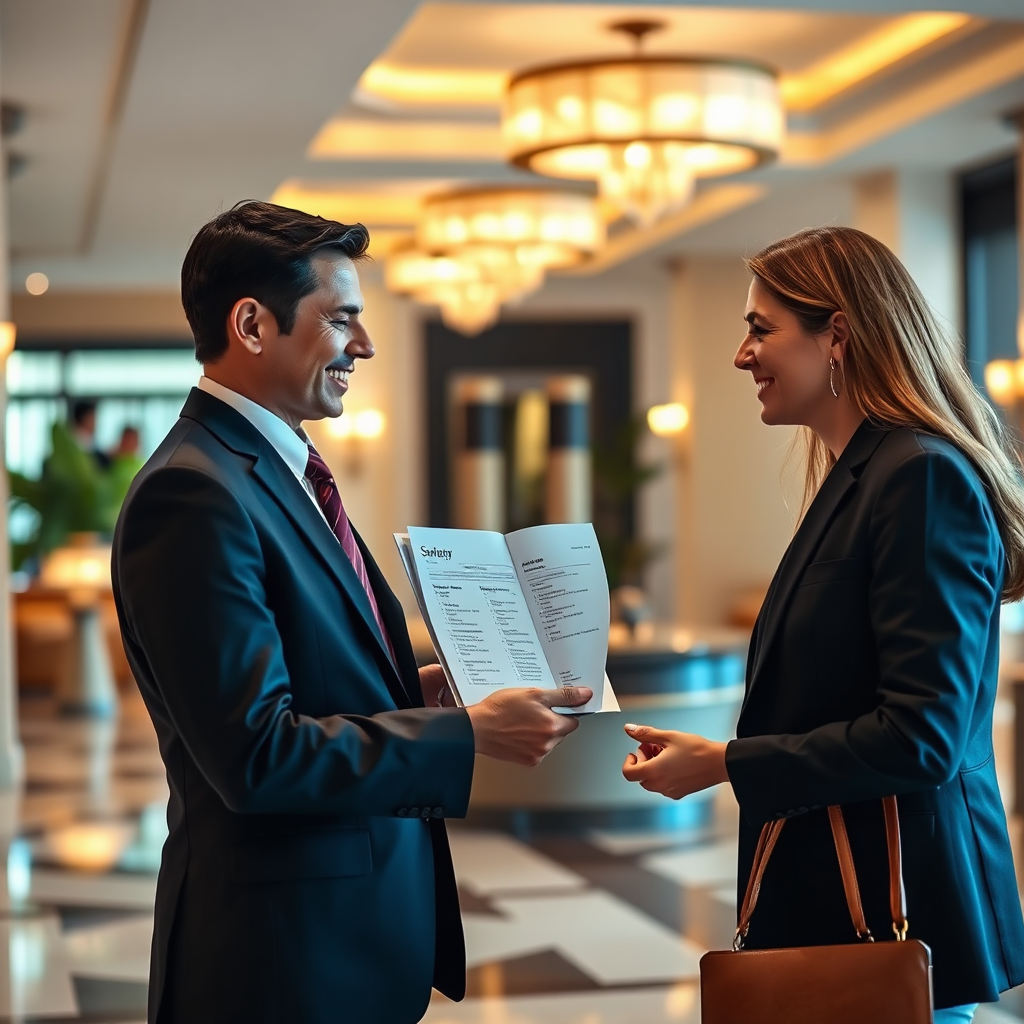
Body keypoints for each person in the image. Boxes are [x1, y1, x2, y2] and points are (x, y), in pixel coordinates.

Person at [111, 201, 592, 1024]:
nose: (364, 347)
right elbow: (256, 754)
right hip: (278, 960)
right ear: (253, 325)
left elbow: (312, 675)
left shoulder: (273, 468)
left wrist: (417, 689)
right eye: (343, 321)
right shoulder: (193, 492)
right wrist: (467, 737)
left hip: (342, 939)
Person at [621, 226, 1024, 1023]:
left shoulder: (922, 477)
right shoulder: (867, 473)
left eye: (761, 329)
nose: (742, 355)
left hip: (897, 912)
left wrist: (728, 764)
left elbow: (922, 736)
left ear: (836, 333)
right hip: (849, 904)